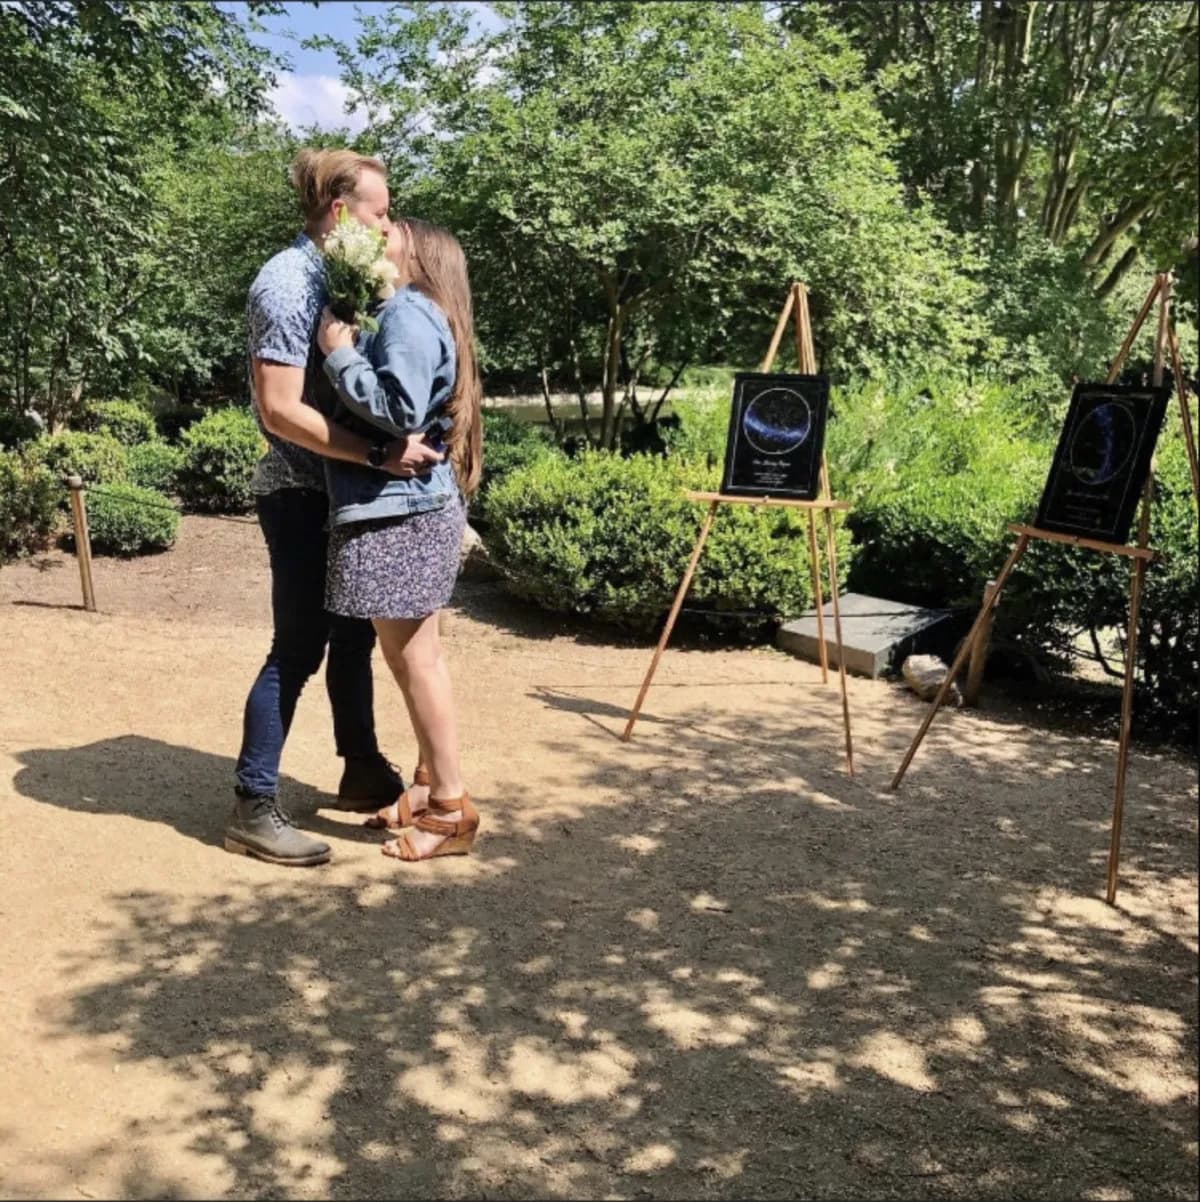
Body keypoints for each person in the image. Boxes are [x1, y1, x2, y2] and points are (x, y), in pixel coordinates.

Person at [224, 150, 445, 868]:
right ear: (343, 212)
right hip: (298, 495)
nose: (389, 228)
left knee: (352, 641)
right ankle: (253, 805)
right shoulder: (287, 282)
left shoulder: (340, 279)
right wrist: (378, 455)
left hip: (344, 498)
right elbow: (280, 410)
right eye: (380, 212)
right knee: (297, 650)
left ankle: (361, 769)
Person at [317, 218, 483, 863]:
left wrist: (339, 352)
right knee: (413, 658)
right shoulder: (419, 311)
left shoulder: (411, 312)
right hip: (410, 509)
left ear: (422, 255)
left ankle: (450, 809)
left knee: (417, 661)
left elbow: (400, 410)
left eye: (393, 231)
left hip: (401, 512)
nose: (379, 234)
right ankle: (424, 787)